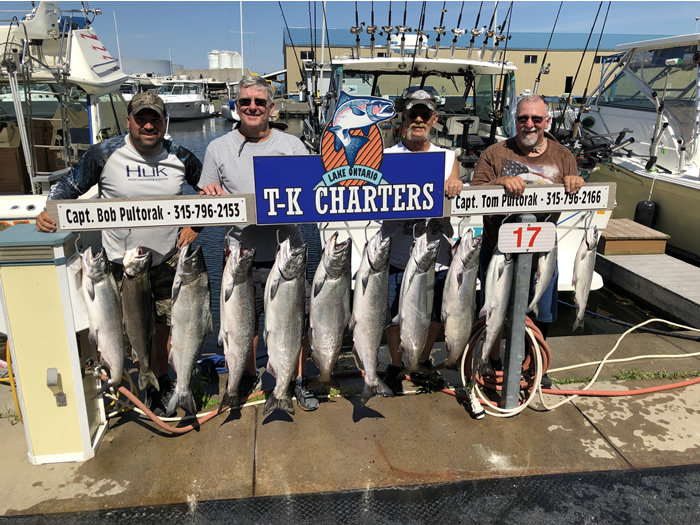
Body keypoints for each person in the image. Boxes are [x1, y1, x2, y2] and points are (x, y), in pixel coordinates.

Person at [36, 91, 204, 414]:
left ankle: (160, 381)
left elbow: (211, 191)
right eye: (141, 118)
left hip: (167, 261)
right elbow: (68, 187)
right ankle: (122, 384)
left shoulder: (181, 155)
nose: (148, 125)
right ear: (129, 120)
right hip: (119, 268)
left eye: (155, 118)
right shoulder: (104, 153)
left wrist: (196, 226)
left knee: (166, 329)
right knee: (122, 333)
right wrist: (50, 210)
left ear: (165, 122)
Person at [198, 75, 319, 411]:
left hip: (287, 254)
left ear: (271, 108)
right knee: (243, 325)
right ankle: (246, 375)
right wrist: (208, 194)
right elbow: (204, 196)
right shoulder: (217, 148)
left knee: (295, 323)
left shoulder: (292, 146)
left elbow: (313, 190)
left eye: (259, 102)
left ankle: (295, 380)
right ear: (235, 107)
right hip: (240, 256)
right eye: (245, 102)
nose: (252, 107)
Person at [472, 94, 585, 386]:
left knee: (543, 313)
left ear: (547, 121)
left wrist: (576, 181)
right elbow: (474, 191)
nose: (529, 124)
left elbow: (577, 185)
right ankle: (491, 360)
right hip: (498, 250)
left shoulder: (562, 155)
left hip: (541, 251)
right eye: (523, 118)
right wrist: (498, 183)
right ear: (515, 120)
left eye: (536, 119)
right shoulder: (496, 153)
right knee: (493, 310)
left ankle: (535, 364)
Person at [381, 89, 463, 393]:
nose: (418, 119)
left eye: (424, 115)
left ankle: (423, 359)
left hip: (435, 256)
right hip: (396, 254)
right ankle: (396, 363)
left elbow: (456, 187)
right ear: (403, 118)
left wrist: (456, 182)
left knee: (432, 315)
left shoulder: (448, 157)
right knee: (393, 317)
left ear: (434, 120)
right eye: (413, 114)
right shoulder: (386, 157)